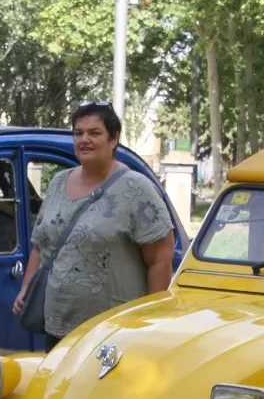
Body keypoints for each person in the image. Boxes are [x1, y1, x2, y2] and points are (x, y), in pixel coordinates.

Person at [13, 102, 176, 348]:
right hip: (57, 326)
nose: (84, 140)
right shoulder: (58, 182)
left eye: (94, 133)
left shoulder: (136, 189)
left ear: (113, 139)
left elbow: (161, 258)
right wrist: (26, 287)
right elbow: (40, 245)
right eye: (78, 133)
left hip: (112, 331)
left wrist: (149, 321)